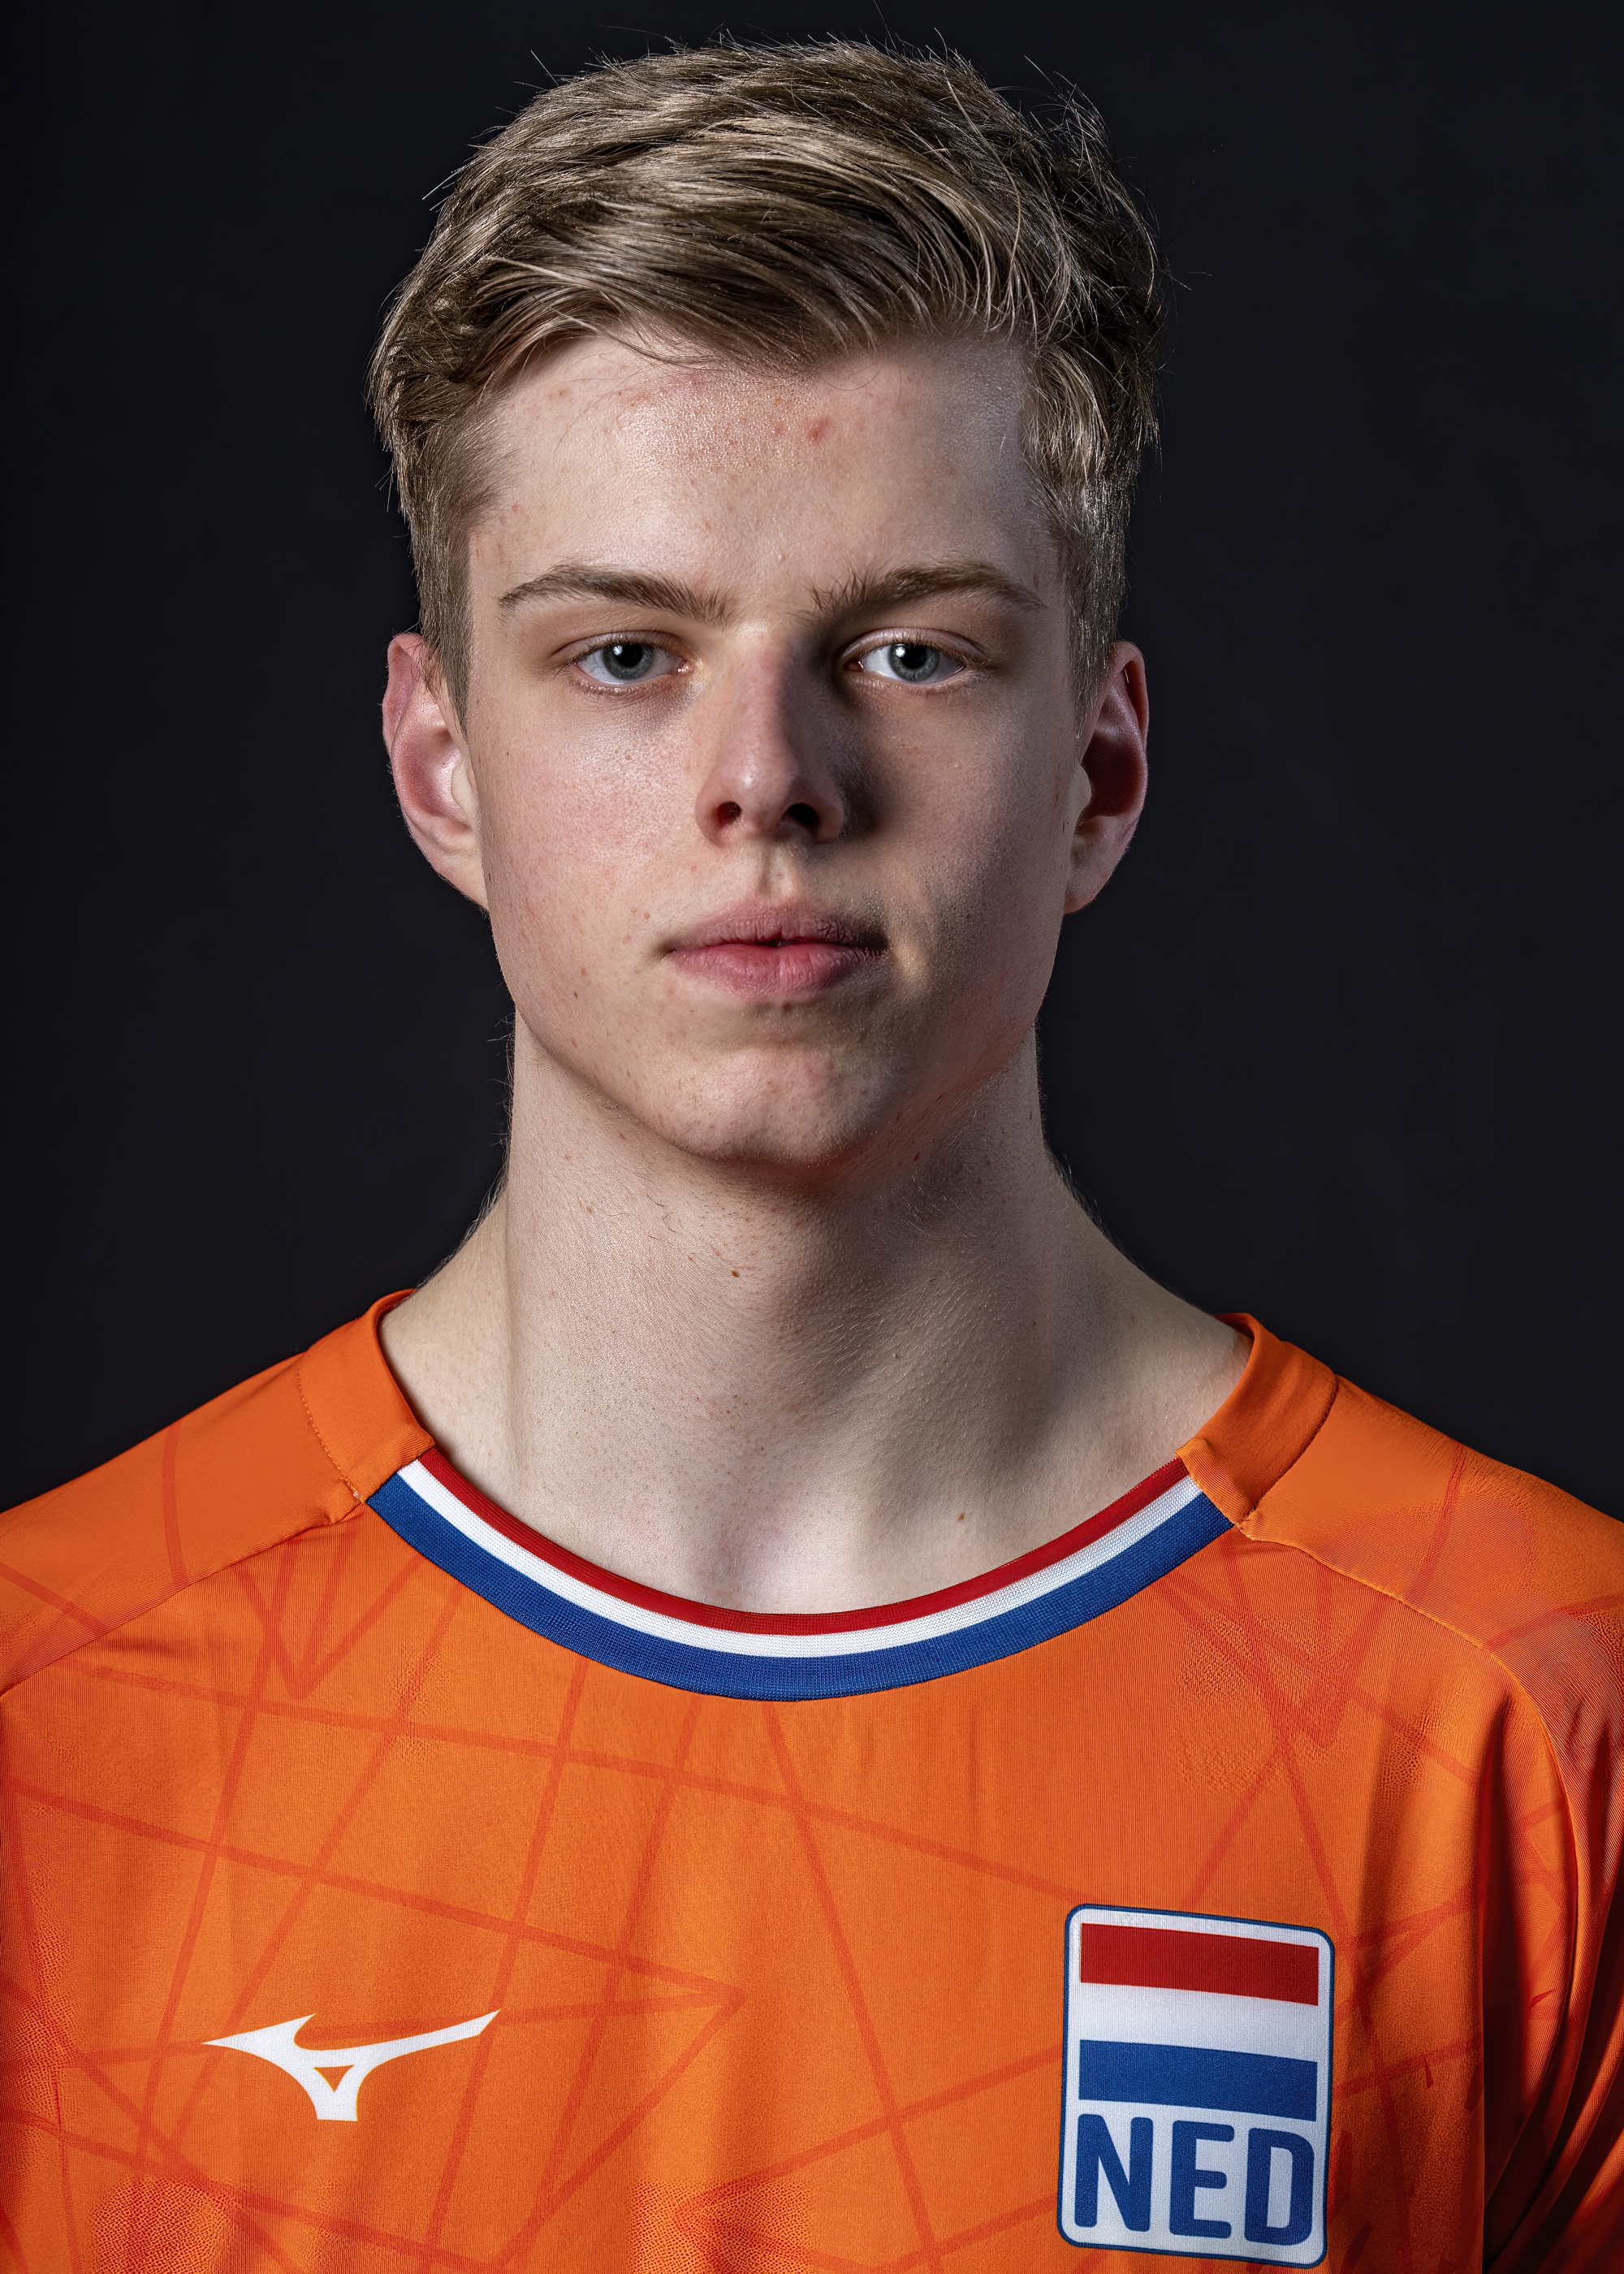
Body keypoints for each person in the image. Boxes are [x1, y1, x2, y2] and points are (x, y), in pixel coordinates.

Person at [2, 38, 1618, 2270]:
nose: (768, 775)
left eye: (912, 650)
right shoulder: (50, 1706)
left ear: (1101, 774)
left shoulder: (1533, 1711)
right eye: (626, 654)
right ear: (441, 763)